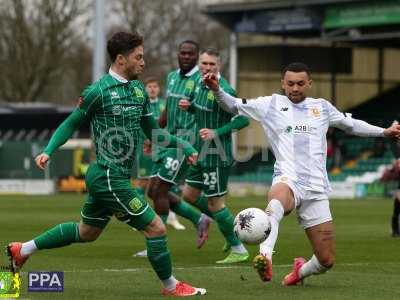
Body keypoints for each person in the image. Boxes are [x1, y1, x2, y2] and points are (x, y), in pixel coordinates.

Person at [6, 31, 206, 297]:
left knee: (87, 232)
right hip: (108, 176)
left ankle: (23, 249)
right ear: (121, 59)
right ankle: (171, 286)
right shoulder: (97, 91)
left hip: (114, 177)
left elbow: (154, 133)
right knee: (156, 227)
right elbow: (71, 122)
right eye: (139, 57)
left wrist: (186, 146)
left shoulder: (138, 90)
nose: (144, 62)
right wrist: (49, 150)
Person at [204, 62, 400, 285]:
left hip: (316, 188)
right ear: (282, 83)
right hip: (288, 178)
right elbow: (233, 106)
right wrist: (216, 89)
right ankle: (265, 256)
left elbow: (351, 125)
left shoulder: (322, 107)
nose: (294, 88)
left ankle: (300, 272)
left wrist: (384, 132)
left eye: (299, 84)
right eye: (290, 84)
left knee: (326, 260)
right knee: (277, 202)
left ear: (309, 83)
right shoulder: (271, 104)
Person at [178, 48, 250, 264]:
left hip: (217, 154)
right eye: (204, 63)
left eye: (212, 64)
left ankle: (238, 248)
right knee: (189, 195)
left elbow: (243, 120)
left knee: (216, 204)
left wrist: (216, 132)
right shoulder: (200, 84)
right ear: (199, 64)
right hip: (201, 152)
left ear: (219, 66)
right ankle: (224, 225)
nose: (207, 67)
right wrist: (190, 108)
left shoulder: (225, 89)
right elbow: (203, 112)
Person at [145, 41, 211, 251]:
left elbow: (205, 110)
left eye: (190, 54)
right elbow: (167, 111)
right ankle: (199, 218)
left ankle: (157, 243)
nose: (185, 56)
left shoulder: (200, 81)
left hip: (185, 144)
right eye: (182, 53)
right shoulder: (172, 77)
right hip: (167, 141)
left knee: (160, 190)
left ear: (197, 56)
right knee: (152, 191)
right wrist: (152, 135)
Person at [136, 77, 186, 231]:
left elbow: (168, 124)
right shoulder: (140, 105)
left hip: (163, 149)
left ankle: (171, 217)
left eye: (154, 86)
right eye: (149, 86)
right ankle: (138, 216)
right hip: (146, 148)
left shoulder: (165, 104)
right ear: (145, 89)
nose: (152, 89)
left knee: (166, 185)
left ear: (159, 89)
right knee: (144, 185)